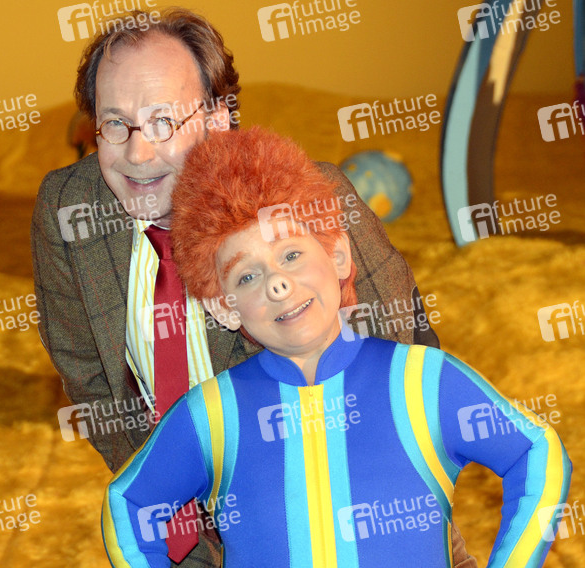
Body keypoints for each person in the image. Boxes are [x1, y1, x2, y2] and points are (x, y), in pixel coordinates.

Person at [31, 7, 466, 566]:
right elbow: (86, 371)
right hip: (182, 527)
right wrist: (162, 487)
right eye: (116, 124)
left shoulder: (308, 202)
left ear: (217, 119)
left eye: (163, 122)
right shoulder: (68, 209)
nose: (137, 154)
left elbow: (401, 354)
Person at [102, 127, 572, 567]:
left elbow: (535, 451)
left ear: (338, 255)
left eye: (291, 254)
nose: (278, 284)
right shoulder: (213, 413)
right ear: (224, 308)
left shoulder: (423, 380)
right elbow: (129, 502)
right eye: (247, 276)